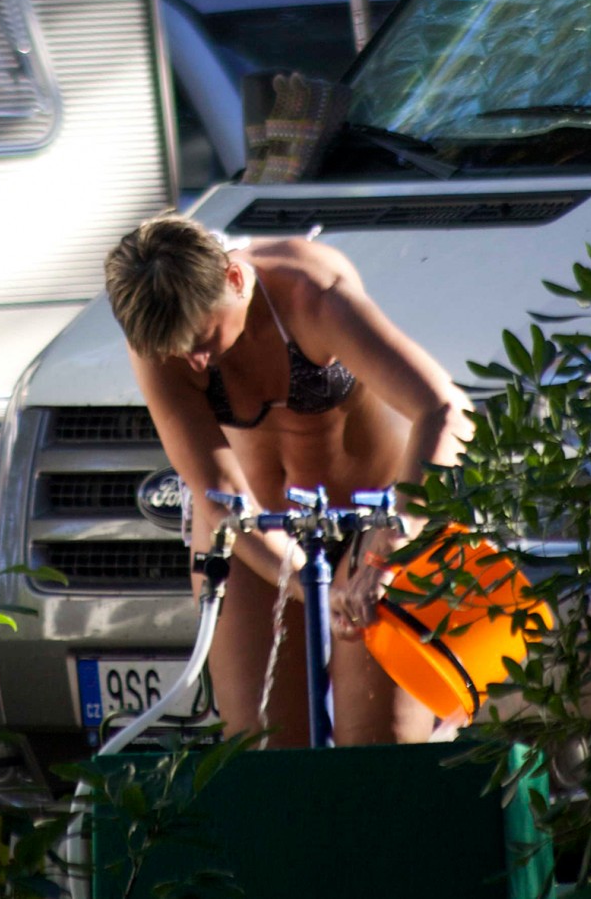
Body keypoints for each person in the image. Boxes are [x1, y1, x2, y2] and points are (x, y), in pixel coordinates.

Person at [103, 212, 472, 745]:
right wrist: (310, 586)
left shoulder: (310, 293)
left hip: (371, 523)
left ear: (234, 279)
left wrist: (388, 545)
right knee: (265, 751)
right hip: (256, 533)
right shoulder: (160, 336)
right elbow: (220, 495)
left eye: (203, 340)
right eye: (178, 352)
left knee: (379, 750)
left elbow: (445, 409)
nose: (196, 363)